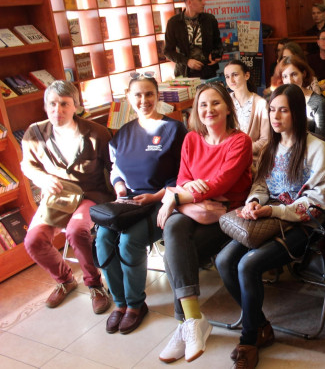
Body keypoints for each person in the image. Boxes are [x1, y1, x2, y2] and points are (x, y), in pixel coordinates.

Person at [215, 84, 325, 369]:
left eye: (283, 110)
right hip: (268, 219)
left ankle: (249, 339)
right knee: (224, 260)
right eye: (271, 109)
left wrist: (274, 210)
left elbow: (317, 203)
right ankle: (261, 325)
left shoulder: (316, 147)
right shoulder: (271, 146)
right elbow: (260, 185)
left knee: (248, 265)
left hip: (302, 225)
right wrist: (255, 202)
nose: (275, 116)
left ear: (297, 113)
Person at [157, 82, 253, 363]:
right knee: (174, 229)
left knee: (174, 250)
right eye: (203, 105)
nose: (209, 109)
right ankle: (192, 321)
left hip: (226, 216)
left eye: (215, 103)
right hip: (197, 211)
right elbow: (183, 179)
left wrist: (176, 199)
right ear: (196, 111)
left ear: (228, 108)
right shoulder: (191, 139)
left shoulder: (240, 141)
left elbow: (222, 184)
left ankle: (185, 323)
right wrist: (191, 198)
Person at [95, 73, 187, 334]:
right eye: (138, 95)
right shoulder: (124, 133)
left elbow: (185, 174)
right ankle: (120, 303)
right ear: (128, 98)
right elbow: (115, 169)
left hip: (161, 201)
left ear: (157, 96)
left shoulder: (174, 129)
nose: (144, 100)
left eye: (149, 94)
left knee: (129, 241)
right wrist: (120, 188)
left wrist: (156, 196)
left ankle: (136, 305)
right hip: (127, 202)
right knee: (102, 240)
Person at [21, 80, 112, 314]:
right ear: (45, 106)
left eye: (64, 104)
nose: (57, 110)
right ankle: (65, 280)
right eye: (52, 104)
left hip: (91, 194)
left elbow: (114, 167)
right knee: (33, 240)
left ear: (76, 107)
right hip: (58, 197)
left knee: (76, 231)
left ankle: (95, 285)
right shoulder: (34, 134)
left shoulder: (97, 133)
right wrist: (42, 179)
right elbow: (28, 166)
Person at [165, 0, 223, 79]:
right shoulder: (174, 23)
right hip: (185, 74)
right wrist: (187, 61)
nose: (204, 2)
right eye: (200, 0)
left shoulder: (210, 20)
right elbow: (168, 51)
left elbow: (218, 44)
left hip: (208, 72)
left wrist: (216, 55)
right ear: (189, 2)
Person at [224, 60, 270, 165]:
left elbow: (265, 140)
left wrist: (240, 150)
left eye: (235, 75)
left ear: (246, 75)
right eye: (227, 76)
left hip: (251, 161)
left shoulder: (261, 104)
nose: (231, 80)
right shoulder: (224, 102)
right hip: (227, 158)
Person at [278, 55, 325, 137]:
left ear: (303, 74)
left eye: (294, 74)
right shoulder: (279, 100)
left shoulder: (317, 102)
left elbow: (321, 137)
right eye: (285, 76)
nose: (290, 81)